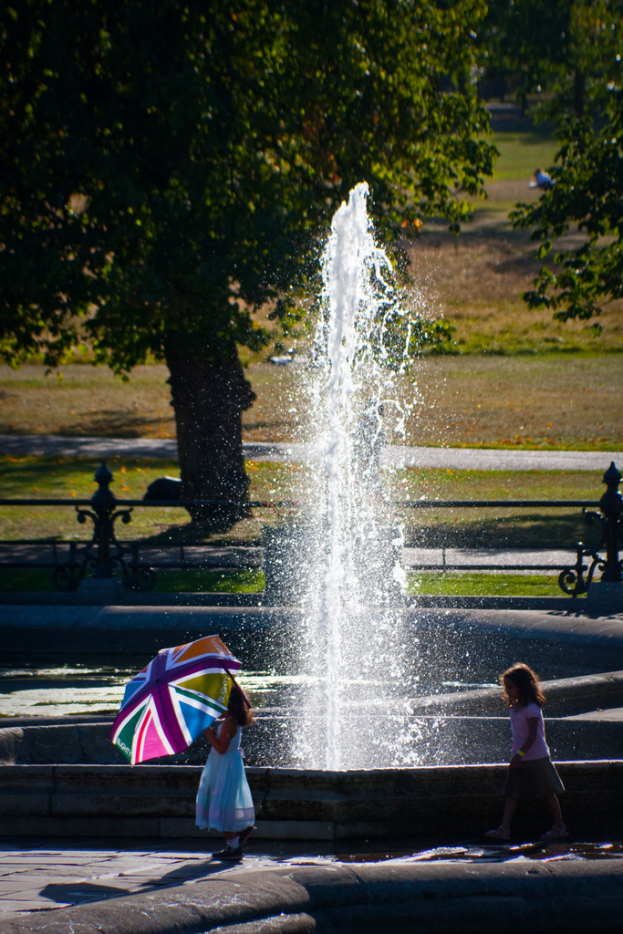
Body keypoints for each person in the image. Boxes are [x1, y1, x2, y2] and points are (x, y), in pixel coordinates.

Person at [485, 662, 567, 842]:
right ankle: (504, 829)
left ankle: (559, 826)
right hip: (520, 757)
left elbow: (533, 736)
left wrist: (519, 755)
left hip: (536, 757)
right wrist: (517, 755)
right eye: (506, 687)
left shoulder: (531, 708)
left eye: (510, 687)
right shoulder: (515, 708)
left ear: (521, 687)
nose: (507, 691)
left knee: (548, 791)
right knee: (512, 793)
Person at [196, 684, 256, 860]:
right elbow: (223, 744)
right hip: (225, 765)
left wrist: (207, 732)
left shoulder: (230, 723)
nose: (214, 712)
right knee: (221, 803)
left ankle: (234, 848)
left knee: (220, 806)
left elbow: (221, 749)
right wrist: (214, 733)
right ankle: (240, 834)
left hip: (225, 767)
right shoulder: (229, 722)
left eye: (217, 708)